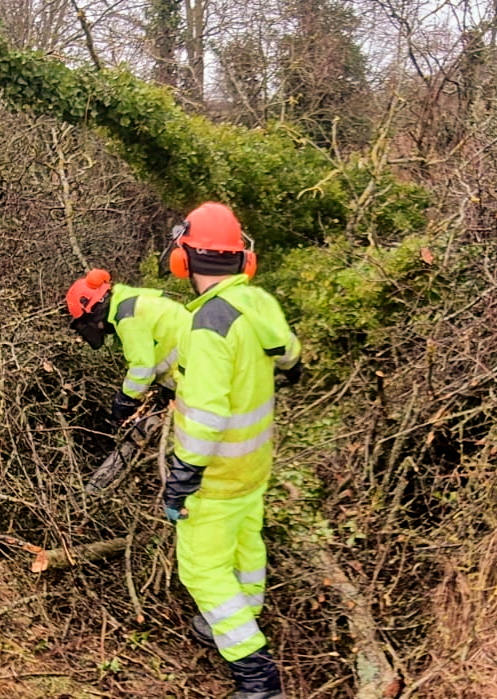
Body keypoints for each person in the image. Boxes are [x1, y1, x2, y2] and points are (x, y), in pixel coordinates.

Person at [161, 202, 301, 699]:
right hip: (254, 468)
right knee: (246, 544)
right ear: (244, 260)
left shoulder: (207, 326)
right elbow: (290, 354)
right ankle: (242, 613)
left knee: (201, 568)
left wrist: (182, 478)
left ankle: (256, 676)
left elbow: (205, 416)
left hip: (216, 477)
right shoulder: (259, 303)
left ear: (183, 259)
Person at [65, 268, 188, 430]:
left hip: (192, 367)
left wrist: (124, 400)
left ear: (94, 312)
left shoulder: (127, 318)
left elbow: (142, 367)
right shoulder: (128, 300)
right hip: (191, 361)